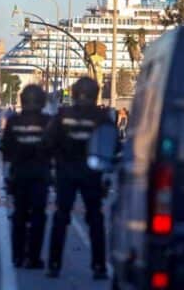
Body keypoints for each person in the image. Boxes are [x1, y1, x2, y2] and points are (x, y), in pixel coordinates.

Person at [44, 76, 112, 280]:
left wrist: (54, 165)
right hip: (92, 173)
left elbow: (47, 142)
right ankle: (99, 267)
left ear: (73, 94)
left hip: (66, 172)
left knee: (61, 217)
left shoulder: (62, 115)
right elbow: (111, 146)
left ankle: (54, 265)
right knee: (95, 219)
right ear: (95, 94)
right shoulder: (102, 117)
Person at [0, 84, 52, 269]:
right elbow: (55, 148)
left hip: (19, 174)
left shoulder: (14, 122)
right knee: (39, 215)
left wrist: (7, 175)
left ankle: (17, 255)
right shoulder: (48, 122)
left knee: (19, 215)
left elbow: (5, 149)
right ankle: (34, 257)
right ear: (42, 101)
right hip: (41, 175)